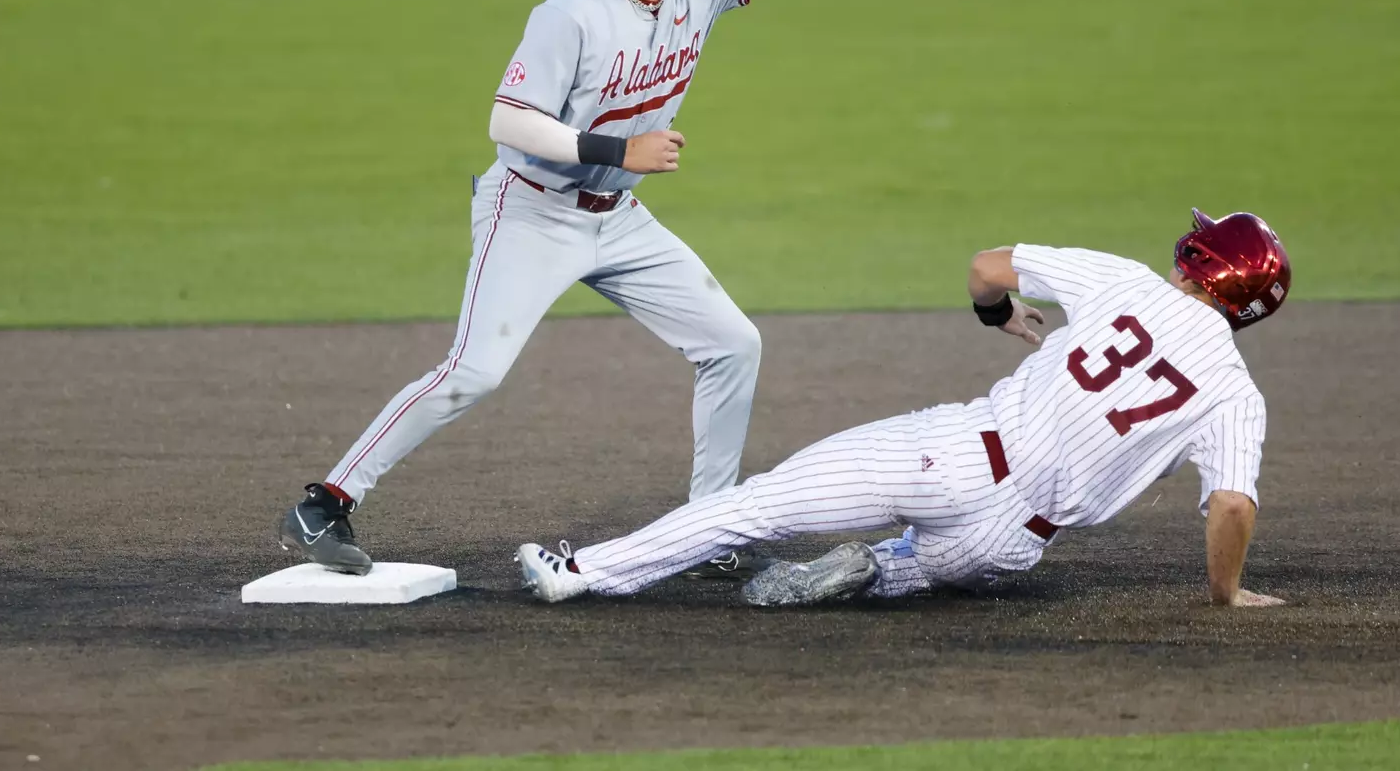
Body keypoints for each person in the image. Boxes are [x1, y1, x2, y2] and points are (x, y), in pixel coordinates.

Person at [278, 0, 852, 577]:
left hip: (617, 219)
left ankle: (709, 526)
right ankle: (324, 504)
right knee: (473, 372)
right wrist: (622, 151)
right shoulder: (572, 13)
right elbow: (508, 121)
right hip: (532, 212)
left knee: (732, 345)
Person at [516, 209, 1292, 607]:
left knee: (757, 506)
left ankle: (583, 572)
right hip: (1008, 547)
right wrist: (1224, 596)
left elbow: (987, 267)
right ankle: (876, 570)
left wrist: (999, 317)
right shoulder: (1235, 391)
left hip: (956, 460)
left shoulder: (1125, 282)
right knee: (929, 563)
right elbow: (1230, 504)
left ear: (1203, 264)